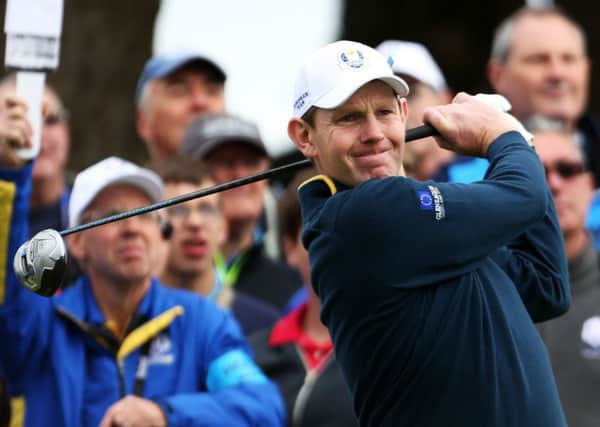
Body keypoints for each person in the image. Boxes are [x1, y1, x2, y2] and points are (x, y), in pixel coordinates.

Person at [286, 40, 570, 426]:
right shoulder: (362, 216)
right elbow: (525, 196)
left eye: (384, 112)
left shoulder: (424, 233)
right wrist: (502, 136)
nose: (373, 133)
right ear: (304, 136)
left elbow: (544, 285)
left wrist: (519, 142)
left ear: (404, 114)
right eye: (348, 118)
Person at [0, 149, 285, 425]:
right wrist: (10, 170)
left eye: (146, 214)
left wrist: (165, 415)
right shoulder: (40, 327)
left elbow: (264, 407)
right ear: (76, 242)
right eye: (111, 215)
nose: (132, 228)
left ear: (160, 233)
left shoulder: (201, 320)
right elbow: (6, 274)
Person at [250, 167, 358, 427]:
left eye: (351, 229)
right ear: (289, 248)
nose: (335, 245)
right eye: (318, 232)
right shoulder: (252, 353)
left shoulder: (401, 342)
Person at [181, 113, 302, 311]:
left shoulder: (299, 278)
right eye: (225, 163)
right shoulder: (157, 280)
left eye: (251, 163)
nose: (240, 175)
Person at [153, 155, 279, 335]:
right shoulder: (126, 323)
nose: (195, 222)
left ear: (223, 226)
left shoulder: (266, 327)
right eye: (178, 210)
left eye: (206, 209)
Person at [530, 120, 600, 427]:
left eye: (568, 170)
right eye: (537, 172)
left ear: (591, 185)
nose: (554, 184)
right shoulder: (480, 292)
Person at [376, 40, 455, 180]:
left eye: (411, 94)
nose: (398, 112)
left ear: (445, 99)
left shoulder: (491, 173)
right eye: (383, 106)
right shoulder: (368, 191)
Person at [135, 52, 226, 161]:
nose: (201, 102)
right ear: (144, 122)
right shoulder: (117, 177)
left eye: (212, 90)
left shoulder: (251, 175)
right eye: (179, 90)